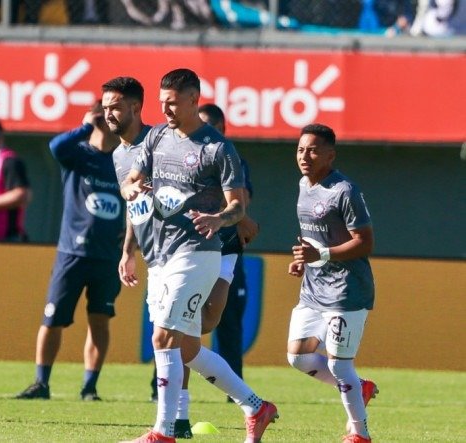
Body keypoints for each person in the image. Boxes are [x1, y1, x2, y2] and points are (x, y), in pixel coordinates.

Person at [120, 68, 277, 443]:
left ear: (193, 100)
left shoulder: (218, 149)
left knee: (163, 336)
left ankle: (163, 431)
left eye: (172, 103)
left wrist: (218, 217)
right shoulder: (157, 136)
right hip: (160, 254)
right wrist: (131, 188)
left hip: (198, 253)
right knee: (188, 347)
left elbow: (238, 208)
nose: (165, 110)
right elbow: (131, 178)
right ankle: (256, 406)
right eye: (162, 103)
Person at [16, 101, 124, 401]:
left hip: (107, 256)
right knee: (52, 318)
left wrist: (133, 235)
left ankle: (90, 386)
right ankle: (41, 383)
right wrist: (87, 125)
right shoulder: (77, 154)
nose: (109, 121)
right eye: (105, 115)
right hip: (72, 253)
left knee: (99, 319)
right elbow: (56, 146)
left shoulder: (123, 160)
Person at [104, 76, 191, 438]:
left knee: (177, 336)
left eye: (115, 107)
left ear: (136, 108)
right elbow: (134, 207)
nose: (108, 113)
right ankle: (251, 405)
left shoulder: (162, 142)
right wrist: (128, 250)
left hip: (185, 250)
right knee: (182, 340)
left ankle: (172, 422)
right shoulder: (118, 155)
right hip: (155, 257)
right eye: (105, 106)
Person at [287, 123, 378, 443]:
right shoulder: (303, 185)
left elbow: (365, 243)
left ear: (330, 154)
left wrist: (321, 255)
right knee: (298, 357)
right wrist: (303, 259)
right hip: (313, 289)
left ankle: (360, 434)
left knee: (340, 365)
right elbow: (313, 238)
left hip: (347, 290)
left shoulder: (345, 190)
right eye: (300, 149)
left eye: (312, 150)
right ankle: (360, 387)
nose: (304, 156)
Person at [197, 103, 259, 386]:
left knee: (226, 321)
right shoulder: (183, 154)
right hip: (191, 249)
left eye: (214, 128)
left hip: (226, 248)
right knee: (175, 320)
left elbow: (240, 201)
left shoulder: (232, 158)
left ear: (223, 130)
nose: (208, 134)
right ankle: (160, 388)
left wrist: (238, 215)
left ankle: (235, 388)